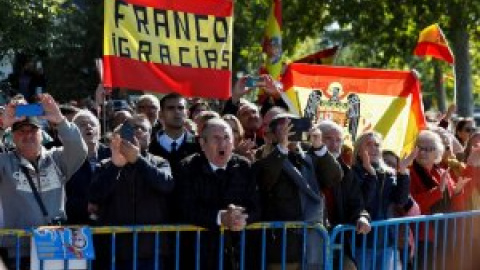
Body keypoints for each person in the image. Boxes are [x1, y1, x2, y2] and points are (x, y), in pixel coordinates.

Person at [0, 94, 87, 268]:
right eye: (21, 131)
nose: (28, 135)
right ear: (13, 137)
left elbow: (79, 150)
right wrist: (2, 126)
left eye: (32, 130)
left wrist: (61, 121)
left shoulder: (56, 158)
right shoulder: (5, 163)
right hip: (19, 250)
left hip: (59, 245)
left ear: (42, 134)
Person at [255, 114, 343, 270]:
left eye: (295, 127)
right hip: (282, 246)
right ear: (272, 134)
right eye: (285, 129)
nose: (291, 133)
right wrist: (281, 147)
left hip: (312, 242)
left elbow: (334, 178)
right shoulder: (265, 155)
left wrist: (319, 147)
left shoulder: (310, 155)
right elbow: (265, 179)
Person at [88, 114, 173, 270]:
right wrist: (116, 166)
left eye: (144, 129)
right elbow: (95, 195)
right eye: (133, 128)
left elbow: (166, 185)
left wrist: (138, 160)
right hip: (114, 252)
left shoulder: (160, 162)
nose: (139, 131)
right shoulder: (106, 164)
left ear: (151, 137)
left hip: (151, 252)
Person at [176, 118, 260, 270]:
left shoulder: (244, 167)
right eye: (216, 138)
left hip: (237, 254)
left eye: (227, 138)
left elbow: (257, 206)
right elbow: (184, 208)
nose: (223, 144)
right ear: (202, 143)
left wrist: (241, 218)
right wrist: (220, 218)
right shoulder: (188, 167)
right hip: (199, 254)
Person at [313, 120, 371, 270]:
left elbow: (356, 203)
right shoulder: (304, 163)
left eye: (338, 140)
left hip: (336, 240)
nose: (334, 144)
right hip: (307, 241)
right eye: (328, 138)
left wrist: (362, 217)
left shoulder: (346, 171)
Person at [351, 131, 411, 270]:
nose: (373, 148)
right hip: (361, 240)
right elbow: (364, 202)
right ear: (359, 151)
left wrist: (403, 173)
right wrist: (371, 174)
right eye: (369, 145)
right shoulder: (352, 173)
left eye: (377, 145)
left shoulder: (388, 173)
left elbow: (400, 200)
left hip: (385, 240)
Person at [66, 110, 111, 225]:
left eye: (92, 124)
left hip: (110, 225)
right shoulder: (65, 158)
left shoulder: (113, 155)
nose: (88, 126)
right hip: (77, 226)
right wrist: (86, 206)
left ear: (99, 132)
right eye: (82, 124)